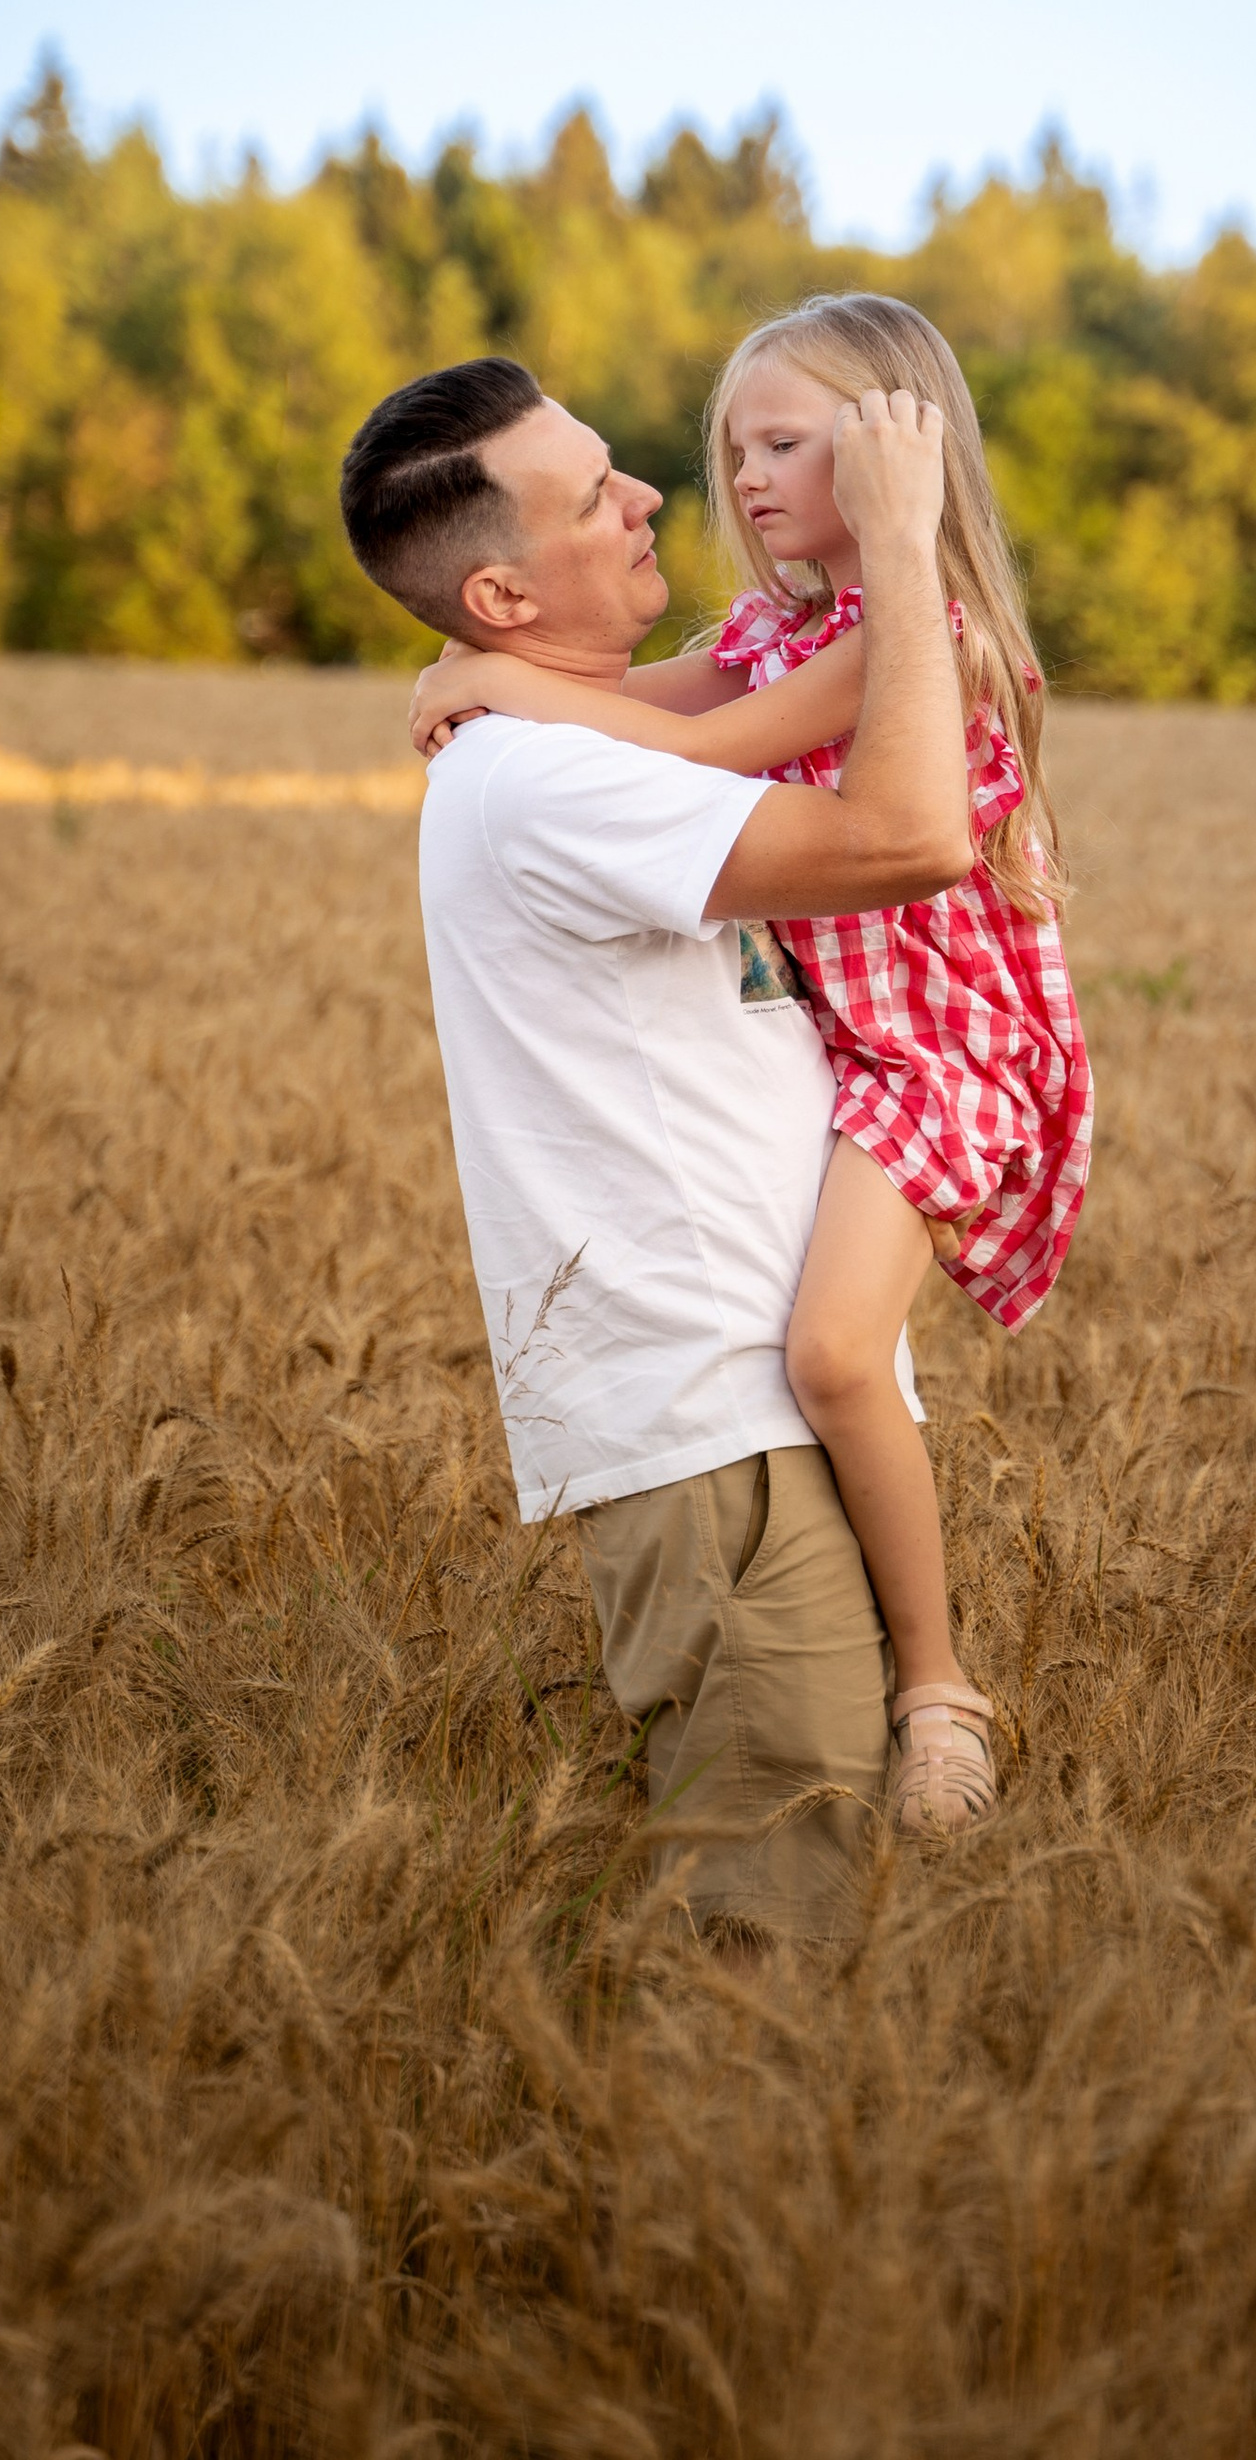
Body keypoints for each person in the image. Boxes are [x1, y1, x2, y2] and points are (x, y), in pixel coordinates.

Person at [410, 295, 1090, 1844]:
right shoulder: (787, 628)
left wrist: (496, 684)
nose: (747, 473)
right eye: (740, 445)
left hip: (943, 1045)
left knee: (837, 1357)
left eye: (789, 441)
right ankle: (910, 1675)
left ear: (900, 457)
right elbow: (648, 705)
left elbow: (707, 748)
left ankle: (939, 1690)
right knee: (834, 1358)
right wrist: (492, 670)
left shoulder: (921, 639)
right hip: (865, 1038)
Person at [338, 353, 976, 1943]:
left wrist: (494, 678)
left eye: (620, 466)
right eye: (591, 496)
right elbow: (912, 836)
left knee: (819, 1901)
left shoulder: (562, 736)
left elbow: (718, 710)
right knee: (781, 1928)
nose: (648, 498)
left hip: (750, 1415)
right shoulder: (546, 776)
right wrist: (902, 541)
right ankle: (720, 2180)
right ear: (499, 588)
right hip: (717, 1437)